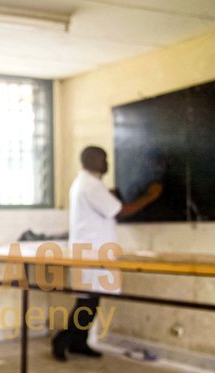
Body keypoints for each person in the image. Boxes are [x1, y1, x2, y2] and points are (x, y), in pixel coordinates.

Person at [52, 146, 162, 361]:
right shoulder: (91, 185)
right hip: (91, 253)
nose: (108, 163)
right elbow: (121, 211)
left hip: (92, 251)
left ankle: (78, 342)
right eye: (103, 159)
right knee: (87, 301)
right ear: (90, 160)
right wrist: (151, 196)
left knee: (91, 300)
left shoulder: (88, 183)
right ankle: (62, 340)